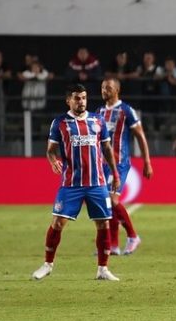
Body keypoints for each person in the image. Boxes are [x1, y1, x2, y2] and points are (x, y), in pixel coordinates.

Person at [32, 83, 122, 281]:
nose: (81, 101)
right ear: (68, 100)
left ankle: (103, 269)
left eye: (83, 98)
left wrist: (115, 174)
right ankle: (47, 264)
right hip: (71, 183)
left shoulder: (97, 120)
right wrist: (52, 160)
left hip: (97, 183)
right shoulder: (60, 123)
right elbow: (50, 150)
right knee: (57, 222)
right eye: (77, 98)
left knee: (103, 224)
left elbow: (107, 149)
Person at [98, 77, 153, 255]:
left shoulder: (126, 111)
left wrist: (147, 161)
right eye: (102, 87)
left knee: (113, 200)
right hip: (103, 164)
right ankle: (113, 245)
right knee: (108, 204)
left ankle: (132, 236)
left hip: (119, 163)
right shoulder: (99, 111)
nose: (104, 90)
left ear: (117, 90)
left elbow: (140, 135)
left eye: (108, 87)